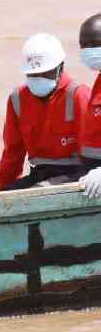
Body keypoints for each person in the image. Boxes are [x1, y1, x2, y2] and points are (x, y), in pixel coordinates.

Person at [0, 33, 89, 192]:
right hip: (40, 173)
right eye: (33, 74)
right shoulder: (17, 99)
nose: (38, 78)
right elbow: (12, 153)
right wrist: (0, 188)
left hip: (77, 173)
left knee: (37, 191)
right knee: (4, 195)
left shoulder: (78, 95)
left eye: (45, 73)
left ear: (60, 68)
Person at [76, 14, 101, 198]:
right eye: (84, 45)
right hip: (90, 176)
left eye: (95, 44)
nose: (88, 51)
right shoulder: (98, 81)